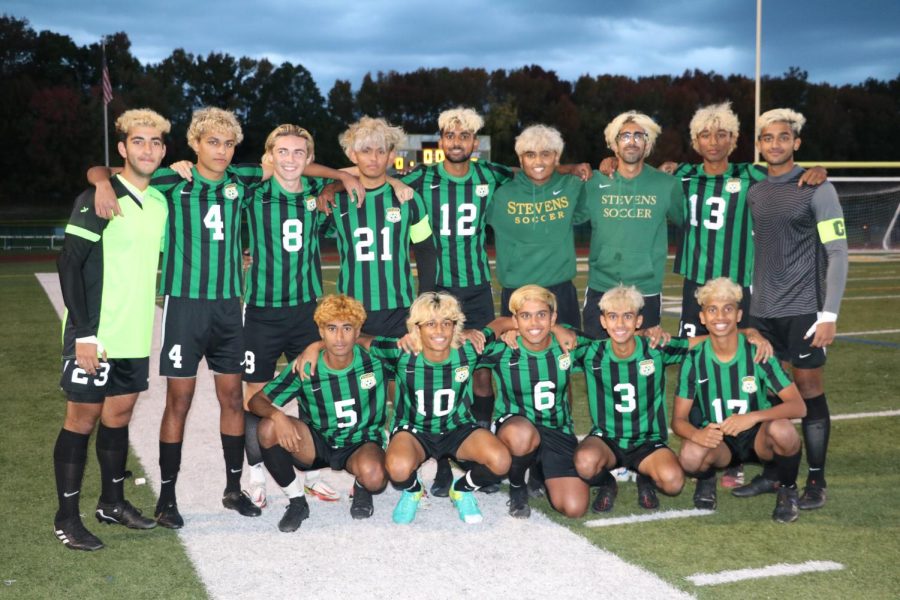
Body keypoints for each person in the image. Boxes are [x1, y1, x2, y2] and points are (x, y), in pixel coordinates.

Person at [664, 102, 825, 488]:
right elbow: (648, 176)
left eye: (723, 134)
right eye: (705, 134)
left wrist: (815, 171)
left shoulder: (751, 173)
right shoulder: (682, 175)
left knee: (756, 362)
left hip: (744, 288)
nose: (714, 142)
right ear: (695, 141)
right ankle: (716, 449)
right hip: (697, 288)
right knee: (701, 364)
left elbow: (787, 170)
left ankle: (763, 451)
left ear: (735, 140)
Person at [53, 108, 171, 550]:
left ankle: (112, 502)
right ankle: (66, 517)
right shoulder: (97, 197)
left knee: (118, 418)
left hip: (135, 333)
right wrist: (84, 333)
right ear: (122, 148)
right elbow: (68, 263)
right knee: (80, 421)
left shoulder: (159, 201)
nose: (148, 149)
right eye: (139, 141)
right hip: (95, 335)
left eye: (156, 143)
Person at [297, 292, 512, 525]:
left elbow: (501, 323)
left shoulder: (468, 349)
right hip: (414, 430)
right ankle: (413, 490)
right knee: (397, 469)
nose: (439, 331)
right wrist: (315, 345)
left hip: (457, 427)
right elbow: (357, 339)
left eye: (446, 324)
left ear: (456, 326)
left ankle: (461, 489)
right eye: (430, 324)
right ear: (416, 328)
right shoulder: (402, 351)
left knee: (500, 461)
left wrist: (521, 331)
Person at [737, 108, 848, 510]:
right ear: (760, 145)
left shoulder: (818, 188)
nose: (775, 144)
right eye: (768, 138)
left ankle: (816, 481)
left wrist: (828, 315)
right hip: (762, 310)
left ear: (796, 143)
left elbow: (837, 252)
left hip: (803, 307)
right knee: (771, 392)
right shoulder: (755, 190)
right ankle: (774, 474)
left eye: (783, 137)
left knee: (808, 390)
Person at [246, 295, 389, 531]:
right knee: (268, 427)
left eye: (347, 328)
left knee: (375, 477)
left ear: (358, 331)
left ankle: (362, 489)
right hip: (317, 442)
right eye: (331, 329)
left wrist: (461, 334)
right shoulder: (306, 366)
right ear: (321, 332)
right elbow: (257, 401)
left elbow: (414, 345)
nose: (340, 337)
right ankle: (297, 502)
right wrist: (278, 416)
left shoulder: (376, 358)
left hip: (361, 443)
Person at [672, 278, 806, 523]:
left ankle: (787, 489)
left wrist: (751, 418)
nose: (720, 316)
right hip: (720, 442)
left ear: (739, 314)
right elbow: (678, 421)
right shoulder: (694, 359)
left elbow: (799, 406)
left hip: (758, 438)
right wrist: (697, 435)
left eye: (727, 309)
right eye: (712, 309)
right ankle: (706, 479)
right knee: (690, 456)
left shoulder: (758, 352)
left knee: (785, 431)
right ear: (702, 318)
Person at [572, 285, 690, 512]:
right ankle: (608, 483)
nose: (620, 324)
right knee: (584, 464)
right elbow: (549, 345)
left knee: (673, 482)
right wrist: (560, 331)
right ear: (603, 321)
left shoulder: (656, 348)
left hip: (647, 441)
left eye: (628, 316)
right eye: (613, 316)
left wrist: (750, 334)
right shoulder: (591, 352)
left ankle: (645, 476)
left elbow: (704, 343)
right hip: (607, 439)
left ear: (639, 321)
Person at [477, 285, 588, 518]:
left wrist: (650, 334)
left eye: (542, 315)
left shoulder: (568, 343)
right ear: (515, 320)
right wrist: (495, 329)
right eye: (525, 316)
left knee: (574, 507)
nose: (534, 323)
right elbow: (457, 352)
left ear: (553, 318)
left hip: (557, 430)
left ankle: (539, 470)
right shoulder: (502, 348)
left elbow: (615, 346)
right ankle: (517, 487)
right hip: (516, 429)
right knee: (522, 434)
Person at [579, 111, 683, 339]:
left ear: (647, 143)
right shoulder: (595, 182)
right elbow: (567, 216)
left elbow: (689, 221)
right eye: (625, 136)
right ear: (614, 145)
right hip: (601, 285)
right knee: (598, 363)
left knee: (644, 367)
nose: (632, 141)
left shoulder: (666, 184)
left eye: (639, 135)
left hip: (646, 287)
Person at [330, 116, 436, 337]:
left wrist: (425, 301)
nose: (374, 158)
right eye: (366, 151)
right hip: (350, 310)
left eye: (381, 151)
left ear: (391, 156)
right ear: (352, 154)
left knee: (400, 371)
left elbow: (425, 251)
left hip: (400, 310)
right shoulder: (336, 200)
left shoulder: (409, 199)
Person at [487, 125, 587, 329]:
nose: (538, 162)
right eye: (530, 155)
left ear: (557, 157)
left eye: (546, 154)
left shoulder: (573, 185)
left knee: (568, 355)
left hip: (561, 292)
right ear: (520, 159)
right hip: (517, 291)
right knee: (518, 359)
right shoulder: (498, 192)